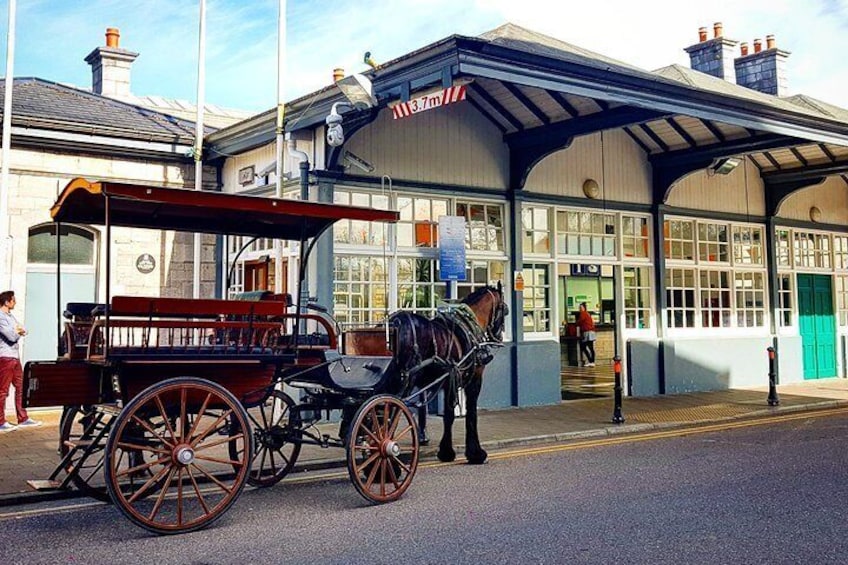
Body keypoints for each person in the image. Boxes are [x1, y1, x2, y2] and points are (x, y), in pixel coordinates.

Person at [0, 290, 41, 432]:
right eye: (13, 300)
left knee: (21, 386)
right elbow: (11, 336)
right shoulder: (0, 317)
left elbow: (23, 329)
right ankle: (0, 422)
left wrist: (19, 331)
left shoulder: (10, 316)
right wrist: (19, 332)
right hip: (5, 357)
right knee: (3, 390)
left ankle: (23, 418)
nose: (15, 302)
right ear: (7, 302)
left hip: (14, 357)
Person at [576, 302, 597, 368]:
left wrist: (575, 323)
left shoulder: (583, 314)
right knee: (590, 347)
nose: (579, 309)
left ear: (584, 308)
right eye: (579, 307)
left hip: (587, 332)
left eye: (581, 307)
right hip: (591, 331)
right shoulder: (587, 314)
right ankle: (592, 361)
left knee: (584, 346)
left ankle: (591, 361)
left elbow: (580, 321)